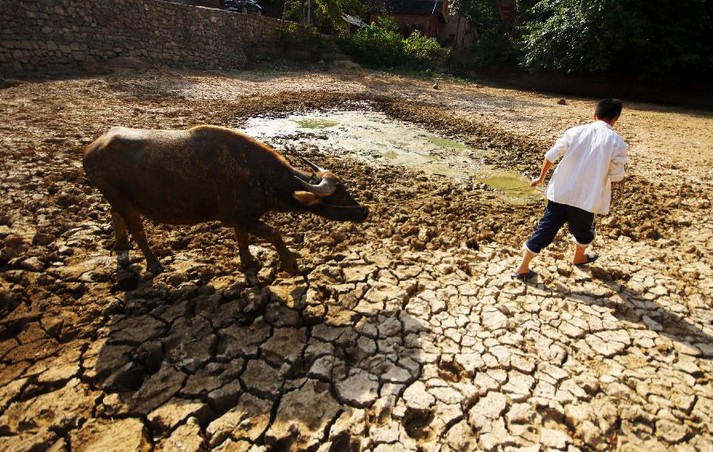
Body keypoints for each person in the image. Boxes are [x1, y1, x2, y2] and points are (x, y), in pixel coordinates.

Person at [513, 98, 628, 280]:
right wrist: (603, 189)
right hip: (585, 199)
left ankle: (522, 268)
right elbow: (617, 176)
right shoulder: (617, 143)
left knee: (545, 229)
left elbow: (552, 154)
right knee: (584, 231)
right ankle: (578, 257)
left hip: (560, 192)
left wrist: (541, 178)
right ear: (616, 119)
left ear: (594, 115)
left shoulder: (575, 132)